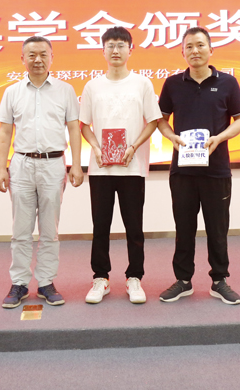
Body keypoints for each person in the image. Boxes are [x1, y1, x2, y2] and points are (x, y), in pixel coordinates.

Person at [156, 26, 240, 305]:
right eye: (189, 46)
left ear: (210, 49)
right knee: (183, 228)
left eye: (199, 45)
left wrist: (220, 138)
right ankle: (183, 281)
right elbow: (161, 120)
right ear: (182, 52)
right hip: (182, 171)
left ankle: (219, 280)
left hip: (216, 170)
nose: (194, 51)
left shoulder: (228, 82)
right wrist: (171, 136)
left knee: (217, 228)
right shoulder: (172, 84)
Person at [0, 35, 84, 308]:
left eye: (43, 54)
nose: (37, 60)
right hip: (21, 164)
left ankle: (46, 282)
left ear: (52, 58)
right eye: (32, 55)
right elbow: (5, 132)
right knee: (20, 230)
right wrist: (1, 168)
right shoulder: (12, 92)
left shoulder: (65, 90)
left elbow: (74, 129)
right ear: (22, 59)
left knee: (49, 230)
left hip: (53, 164)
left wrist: (76, 164)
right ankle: (19, 283)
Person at [79, 27, 162, 304]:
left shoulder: (142, 84)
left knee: (134, 226)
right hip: (101, 168)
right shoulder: (92, 86)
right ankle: (100, 278)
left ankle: (134, 277)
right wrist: (96, 147)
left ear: (130, 49)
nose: (115, 50)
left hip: (132, 167)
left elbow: (153, 121)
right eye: (110, 45)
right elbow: (84, 125)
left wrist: (133, 146)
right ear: (103, 50)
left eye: (121, 45)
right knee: (100, 225)